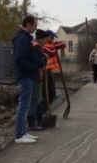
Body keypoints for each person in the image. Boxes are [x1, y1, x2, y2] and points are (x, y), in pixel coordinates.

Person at [11, 15, 41, 144]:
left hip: (26, 75)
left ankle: (22, 132)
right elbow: (20, 59)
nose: (35, 28)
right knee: (24, 105)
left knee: (25, 104)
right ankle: (19, 135)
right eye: (34, 25)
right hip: (25, 76)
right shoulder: (23, 39)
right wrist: (34, 68)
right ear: (28, 24)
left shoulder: (25, 38)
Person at [40, 30, 66, 120]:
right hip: (43, 72)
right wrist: (54, 46)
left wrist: (54, 45)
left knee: (52, 94)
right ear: (46, 37)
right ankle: (40, 113)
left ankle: (45, 111)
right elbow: (51, 52)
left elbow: (63, 44)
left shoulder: (51, 44)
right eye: (51, 37)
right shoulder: (44, 46)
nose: (53, 39)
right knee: (45, 94)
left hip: (49, 71)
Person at [29, 30, 50, 131]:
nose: (46, 42)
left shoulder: (32, 44)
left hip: (34, 75)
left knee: (35, 98)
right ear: (41, 38)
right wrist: (45, 58)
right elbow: (39, 62)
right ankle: (35, 121)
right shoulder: (37, 47)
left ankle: (36, 120)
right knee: (36, 99)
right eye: (45, 39)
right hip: (37, 76)